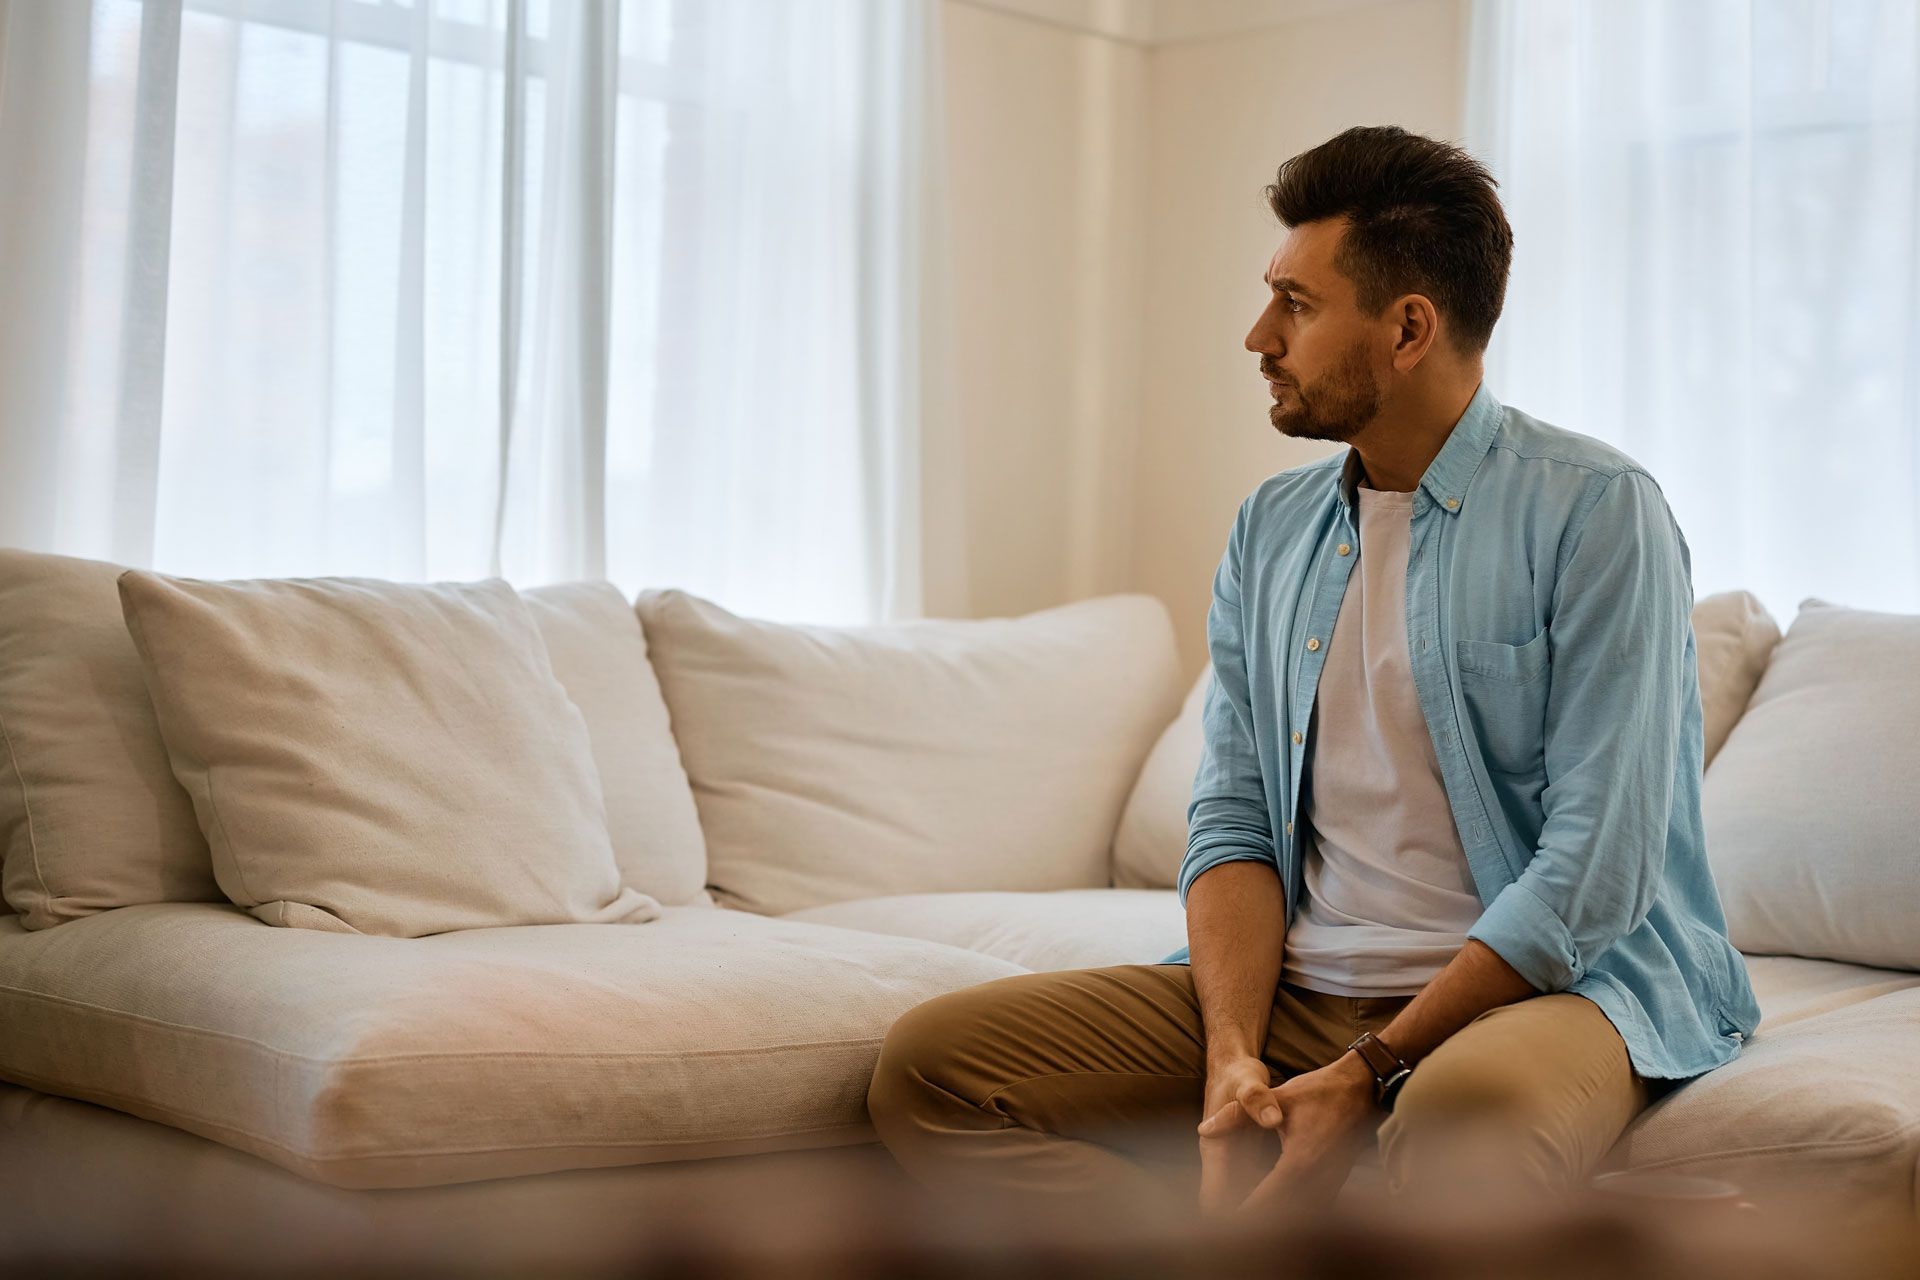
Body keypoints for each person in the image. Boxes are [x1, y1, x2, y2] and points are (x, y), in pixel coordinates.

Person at [864, 124, 1761, 1220]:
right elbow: (1235, 814)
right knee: (933, 1069)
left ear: (1409, 329)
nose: (1259, 336)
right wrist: (1230, 1056)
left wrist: (1369, 1068)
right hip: (1302, 989)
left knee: (1463, 1123)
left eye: (1295, 303)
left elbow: (1596, 871)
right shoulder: (1271, 528)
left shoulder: (1596, 511)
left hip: (1547, 995)